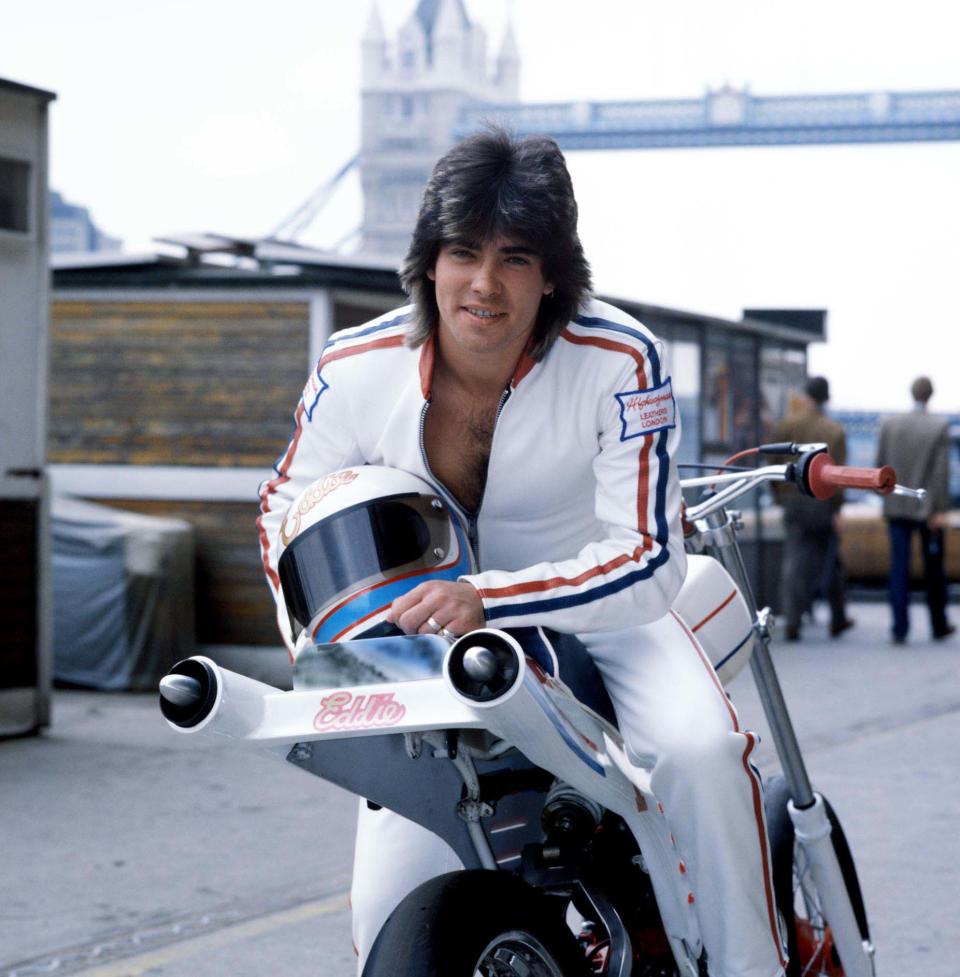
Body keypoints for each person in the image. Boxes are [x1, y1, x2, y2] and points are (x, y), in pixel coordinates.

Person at [258, 128, 786, 977]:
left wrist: (492, 597)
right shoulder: (353, 364)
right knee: (387, 908)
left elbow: (650, 557)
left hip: (604, 606)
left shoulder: (620, 357)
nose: (484, 283)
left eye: (515, 257)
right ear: (430, 261)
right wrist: (316, 643)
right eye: (462, 251)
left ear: (552, 274)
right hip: (420, 634)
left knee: (701, 755)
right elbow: (286, 504)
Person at [773, 377, 854, 641]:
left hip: (793, 502)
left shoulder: (787, 426)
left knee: (795, 561)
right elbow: (839, 476)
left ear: (806, 395)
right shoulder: (834, 431)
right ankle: (838, 618)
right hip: (822, 505)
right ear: (827, 398)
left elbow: (772, 464)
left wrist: (778, 496)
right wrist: (837, 510)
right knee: (831, 560)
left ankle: (793, 621)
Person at [876, 376, 955, 644]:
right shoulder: (939, 426)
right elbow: (941, 472)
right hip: (927, 509)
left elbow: (879, 466)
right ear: (931, 395)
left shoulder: (890, 424)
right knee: (934, 567)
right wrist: (939, 509)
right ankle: (938, 623)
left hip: (896, 506)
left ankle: (899, 628)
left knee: (898, 566)